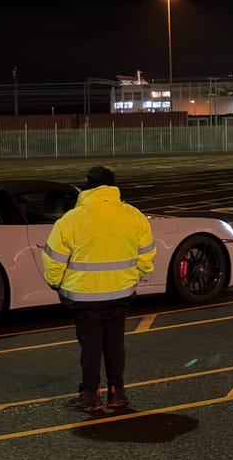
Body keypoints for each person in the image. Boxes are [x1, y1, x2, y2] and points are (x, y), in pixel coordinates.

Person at [44, 165, 156, 412]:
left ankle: (90, 395)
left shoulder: (72, 219)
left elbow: (54, 260)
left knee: (91, 347)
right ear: (113, 186)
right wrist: (133, 277)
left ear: (87, 186)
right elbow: (146, 254)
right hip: (121, 293)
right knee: (115, 344)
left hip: (83, 296)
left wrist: (57, 283)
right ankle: (117, 393)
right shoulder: (133, 215)